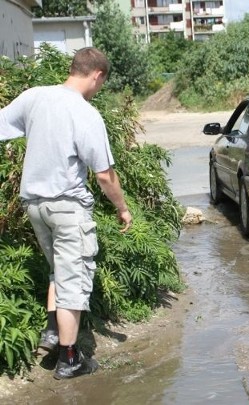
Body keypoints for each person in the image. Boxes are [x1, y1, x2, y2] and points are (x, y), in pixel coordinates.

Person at [0, 47, 132, 379]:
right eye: (101, 83)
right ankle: (70, 359)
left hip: (35, 205)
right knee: (73, 279)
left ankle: (53, 331)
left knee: (59, 269)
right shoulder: (85, 113)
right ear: (97, 75)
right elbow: (104, 175)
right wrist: (122, 208)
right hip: (66, 207)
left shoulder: (35, 97)